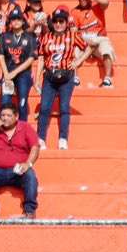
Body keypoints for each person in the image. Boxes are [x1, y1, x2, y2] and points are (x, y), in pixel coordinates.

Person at [0, 97, 38, 214]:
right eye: (3, 115)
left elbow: (35, 147)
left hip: (18, 171)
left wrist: (28, 164)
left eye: (9, 115)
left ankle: (29, 210)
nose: (5, 118)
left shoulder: (25, 127)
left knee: (30, 175)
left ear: (16, 116)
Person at [32, 9, 83, 148]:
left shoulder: (72, 36)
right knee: (44, 108)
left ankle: (63, 139)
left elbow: (89, 46)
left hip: (66, 76)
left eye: (61, 21)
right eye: (55, 21)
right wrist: (36, 79)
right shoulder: (46, 37)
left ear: (66, 23)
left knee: (64, 107)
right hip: (49, 76)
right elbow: (41, 58)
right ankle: (40, 139)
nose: (58, 24)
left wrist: (78, 61)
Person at [0, 8, 37, 122]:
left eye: (18, 19)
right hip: (8, 73)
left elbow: (31, 59)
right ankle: (2, 133)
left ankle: (22, 130)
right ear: (10, 22)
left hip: (23, 74)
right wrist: (6, 74)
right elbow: (1, 55)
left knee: (22, 103)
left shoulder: (30, 37)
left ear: (23, 21)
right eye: (13, 19)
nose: (16, 21)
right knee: (5, 103)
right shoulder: (4, 36)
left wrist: (14, 73)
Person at [69, 0, 117, 87]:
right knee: (73, 49)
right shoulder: (74, 12)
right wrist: (83, 44)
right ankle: (75, 77)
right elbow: (73, 32)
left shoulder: (97, 6)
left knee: (106, 49)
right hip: (84, 40)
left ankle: (107, 78)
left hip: (99, 38)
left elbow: (106, 2)